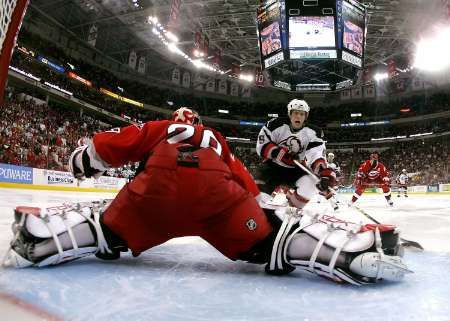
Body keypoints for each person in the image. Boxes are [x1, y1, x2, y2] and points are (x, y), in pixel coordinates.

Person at [3, 108, 411, 285]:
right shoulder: (215, 139)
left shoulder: (159, 128)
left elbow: (105, 150)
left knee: (106, 224)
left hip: (153, 200)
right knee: (275, 239)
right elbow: (247, 188)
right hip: (219, 201)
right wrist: (267, 215)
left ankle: (40, 239)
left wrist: (82, 160)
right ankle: (345, 251)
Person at [255, 99, 336, 210]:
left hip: (296, 168)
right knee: (257, 198)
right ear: (290, 114)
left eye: (302, 114)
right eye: (295, 113)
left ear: (305, 116)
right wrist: (280, 154)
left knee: (310, 185)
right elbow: (261, 146)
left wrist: (323, 171)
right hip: (272, 166)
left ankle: (292, 210)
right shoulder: (274, 125)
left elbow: (316, 154)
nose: (298, 116)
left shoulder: (313, 132)